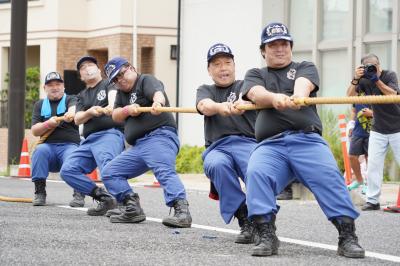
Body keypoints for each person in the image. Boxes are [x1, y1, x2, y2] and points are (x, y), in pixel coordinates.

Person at [241, 22, 365, 258]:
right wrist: (274, 98)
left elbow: (304, 84)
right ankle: (266, 233)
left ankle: (347, 235)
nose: (279, 49)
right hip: (271, 145)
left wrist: (298, 96)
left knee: (329, 175)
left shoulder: (304, 67)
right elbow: (255, 93)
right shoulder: (256, 74)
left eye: (284, 44)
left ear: (291, 47)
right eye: (273, 45)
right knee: (255, 172)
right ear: (263, 50)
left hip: (307, 140)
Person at [101, 57, 192, 228]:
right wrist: (128, 110)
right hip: (139, 146)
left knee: (163, 170)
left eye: (121, 74)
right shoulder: (122, 94)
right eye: (115, 80)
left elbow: (158, 93)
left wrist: (158, 102)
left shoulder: (145, 80)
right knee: (109, 172)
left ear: (131, 68)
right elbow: (115, 115)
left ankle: (182, 210)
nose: (120, 81)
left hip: (160, 136)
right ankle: (131, 207)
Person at [196, 43, 257, 243]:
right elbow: (204, 106)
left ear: (234, 65)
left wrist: (245, 102)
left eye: (227, 63)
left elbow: (253, 95)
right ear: (209, 70)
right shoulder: (205, 90)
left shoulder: (245, 85)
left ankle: (263, 219)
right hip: (217, 147)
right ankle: (244, 218)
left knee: (255, 169)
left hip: (247, 143)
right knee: (215, 164)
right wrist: (220, 107)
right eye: (217, 64)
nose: (223, 68)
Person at [60, 56, 125, 216]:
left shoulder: (109, 83)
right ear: (81, 76)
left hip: (110, 134)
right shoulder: (81, 95)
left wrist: (110, 106)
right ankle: (104, 198)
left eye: (90, 65)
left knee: (108, 166)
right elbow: (77, 118)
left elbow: (113, 98)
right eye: (83, 68)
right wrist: (90, 112)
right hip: (89, 140)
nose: (87, 68)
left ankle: (124, 202)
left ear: (98, 69)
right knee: (68, 170)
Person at [347, 53, 400, 211]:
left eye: (374, 66)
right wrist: (356, 78)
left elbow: (392, 94)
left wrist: (376, 79)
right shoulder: (363, 80)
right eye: (368, 67)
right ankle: (372, 200)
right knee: (373, 166)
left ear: (379, 65)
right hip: (377, 128)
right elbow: (349, 96)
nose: (372, 69)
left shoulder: (389, 75)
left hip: (397, 126)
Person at [30, 72, 81, 206]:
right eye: (50, 85)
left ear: (63, 87)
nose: (55, 87)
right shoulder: (39, 105)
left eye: (58, 84)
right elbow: (35, 130)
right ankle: (40, 192)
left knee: (74, 155)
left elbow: (73, 109)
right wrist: (48, 124)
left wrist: (70, 113)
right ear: (44, 88)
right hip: (48, 148)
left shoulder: (71, 99)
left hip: (69, 145)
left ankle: (79, 193)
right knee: (39, 151)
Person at [346, 102, 373, 194]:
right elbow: (354, 110)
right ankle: (359, 181)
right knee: (352, 156)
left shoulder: (374, 90)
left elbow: (384, 112)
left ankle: (368, 184)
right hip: (357, 131)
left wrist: (372, 113)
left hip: (373, 131)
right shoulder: (357, 91)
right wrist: (351, 125)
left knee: (369, 158)